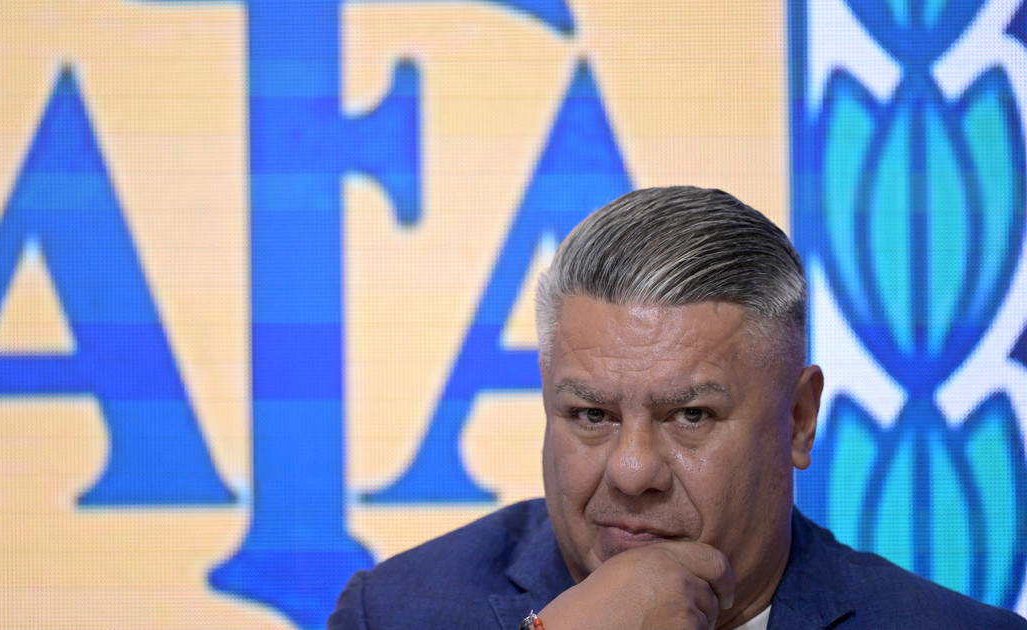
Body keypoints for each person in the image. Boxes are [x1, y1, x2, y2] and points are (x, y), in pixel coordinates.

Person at [328, 186, 1027, 629]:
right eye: (591, 415)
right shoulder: (393, 613)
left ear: (798, 419)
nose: (632, 472)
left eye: (690, 416)